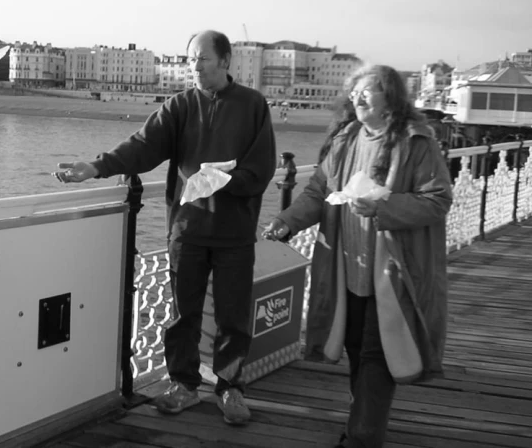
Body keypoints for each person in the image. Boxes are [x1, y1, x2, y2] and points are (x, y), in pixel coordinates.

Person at [55, 30, 276, 426]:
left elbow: (262, 169)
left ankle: (230, 388)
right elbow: (144, 145)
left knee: (233, 317)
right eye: (190, 58)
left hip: (234, 233)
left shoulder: (253, 105)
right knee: (182, 315)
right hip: (187, 230)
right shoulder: (179, 105)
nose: (194, 66)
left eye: (202, 58)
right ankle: (184, 384)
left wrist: (229, 181)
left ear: (225, 61)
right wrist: (96, 167)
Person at [262, 64, 452, 447]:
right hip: (345, 271)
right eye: (354, 92)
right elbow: (318, 192)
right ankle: (361, 424)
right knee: (356, 349)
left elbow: (437, 199)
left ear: (391, 99)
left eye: (367, 92)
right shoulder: (345, 140)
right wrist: (286, 222)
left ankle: (363, 436)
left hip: (394, 276)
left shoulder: (418, 142)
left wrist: (383, 209)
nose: (357, 98)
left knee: (375, 354)